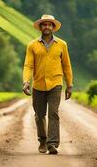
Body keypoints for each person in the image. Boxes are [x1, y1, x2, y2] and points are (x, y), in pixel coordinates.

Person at [22, 14, 73, 154]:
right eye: (44, 24)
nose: (46, 27)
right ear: (40, 27)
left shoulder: (62, 45)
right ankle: (42, 140)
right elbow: (28, 65)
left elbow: (67, 66)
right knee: (39, 115)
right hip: (38, 85)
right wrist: (26, 81)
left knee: (53, 113)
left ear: (53, 27)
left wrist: (69, 85)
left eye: (49, 24)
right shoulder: (32, 45)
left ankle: (52, 144)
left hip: (56, 84)